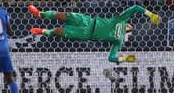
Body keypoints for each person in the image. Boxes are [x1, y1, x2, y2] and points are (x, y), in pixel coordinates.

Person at [28, 4, 161, 64]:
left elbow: (111, 58)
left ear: (128, 31)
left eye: (131, 27)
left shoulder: (118, 41)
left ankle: (42, 31)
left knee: (58, 31)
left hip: (86, 34)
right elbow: (135, 8)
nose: (130, 25)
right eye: (130, 24)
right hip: (88, 20)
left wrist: (124, 59)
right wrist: (150, 14)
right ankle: (39, 13)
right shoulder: (121, 19)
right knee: (62, 15)